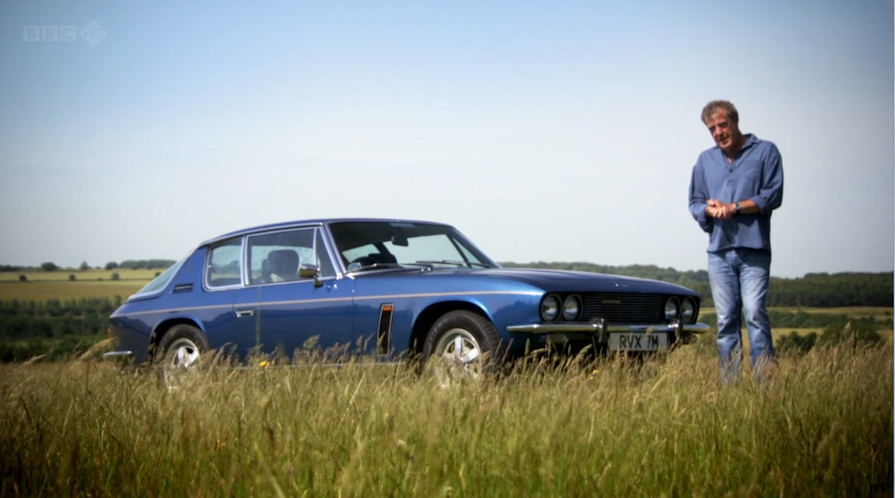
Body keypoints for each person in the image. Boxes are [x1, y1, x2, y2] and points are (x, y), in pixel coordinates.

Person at [688, 100, 784, 383]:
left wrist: (734, 207)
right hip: (718, 253)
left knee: (755, 315)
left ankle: (765, 386)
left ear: (735, 121)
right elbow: (694, 201)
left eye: (722, 125)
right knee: (726, 322)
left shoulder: (765, 151)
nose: (718, 132)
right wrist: (709, 210)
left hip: (753, 251)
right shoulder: (705, 160)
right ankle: (730, 389)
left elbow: (772, 196)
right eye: (712, 129)